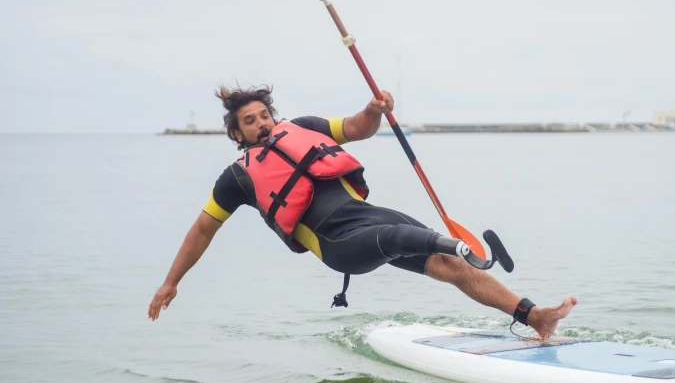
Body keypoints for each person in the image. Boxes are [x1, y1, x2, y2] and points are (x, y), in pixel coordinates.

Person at [148, 84, 577, 339]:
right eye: (250, 121)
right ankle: (462, 248)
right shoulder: (236, 178)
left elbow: (357, 128)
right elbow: (202, 230)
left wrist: (374, 110)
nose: (261, 124)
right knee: (399, 240)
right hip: (340, 244)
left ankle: (533, 316)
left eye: (264, 115)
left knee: (451, 265)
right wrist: (171, 282)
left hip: (368, 216)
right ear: (236, 133)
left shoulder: (304, 127)